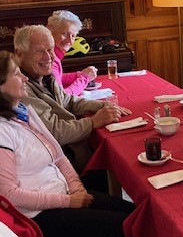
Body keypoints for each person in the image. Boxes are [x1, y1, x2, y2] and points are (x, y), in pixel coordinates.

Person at [0, 50, 150, 237]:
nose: (24, 78)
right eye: (16, 74)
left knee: (137, 214)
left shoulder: (23, 112)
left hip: (62, 194)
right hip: (41, 217)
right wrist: (69, 201)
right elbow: (9, 195)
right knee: (130, 227)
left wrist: (77, 188)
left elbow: (58, 155)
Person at [13, 24, 130, 175]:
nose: (48, 57)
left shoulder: (45, 76)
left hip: (72, 153)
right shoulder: (21, 88)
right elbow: (54, 132)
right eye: (39, 51)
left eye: (50, 49)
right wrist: (94, 121)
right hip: (58, 165)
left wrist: (102, 105)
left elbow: (67, 100)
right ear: (20, 54)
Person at [47, 10, 98, 96]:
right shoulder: (49, 58)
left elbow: (58, 77)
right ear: (50, 31)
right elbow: (62, 97)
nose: (70, 41)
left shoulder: (54, 52)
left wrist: (80, 74)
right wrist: (85, 78)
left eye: (73, 36)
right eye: (64, 34)